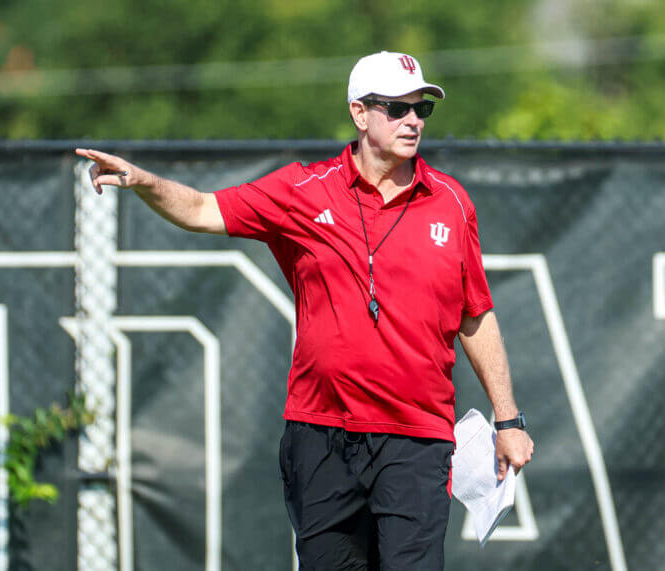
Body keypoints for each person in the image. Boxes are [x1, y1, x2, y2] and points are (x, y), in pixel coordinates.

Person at [76, 51, 533, 570]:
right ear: (360, 114)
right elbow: (205, 209)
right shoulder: (302, 190)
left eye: (420, 109)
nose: (412, 120)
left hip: (415, 438)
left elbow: (475, 314)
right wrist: (145, 181)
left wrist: (508, 418)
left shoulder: (451, 203)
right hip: (322, 437)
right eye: (396, 108)